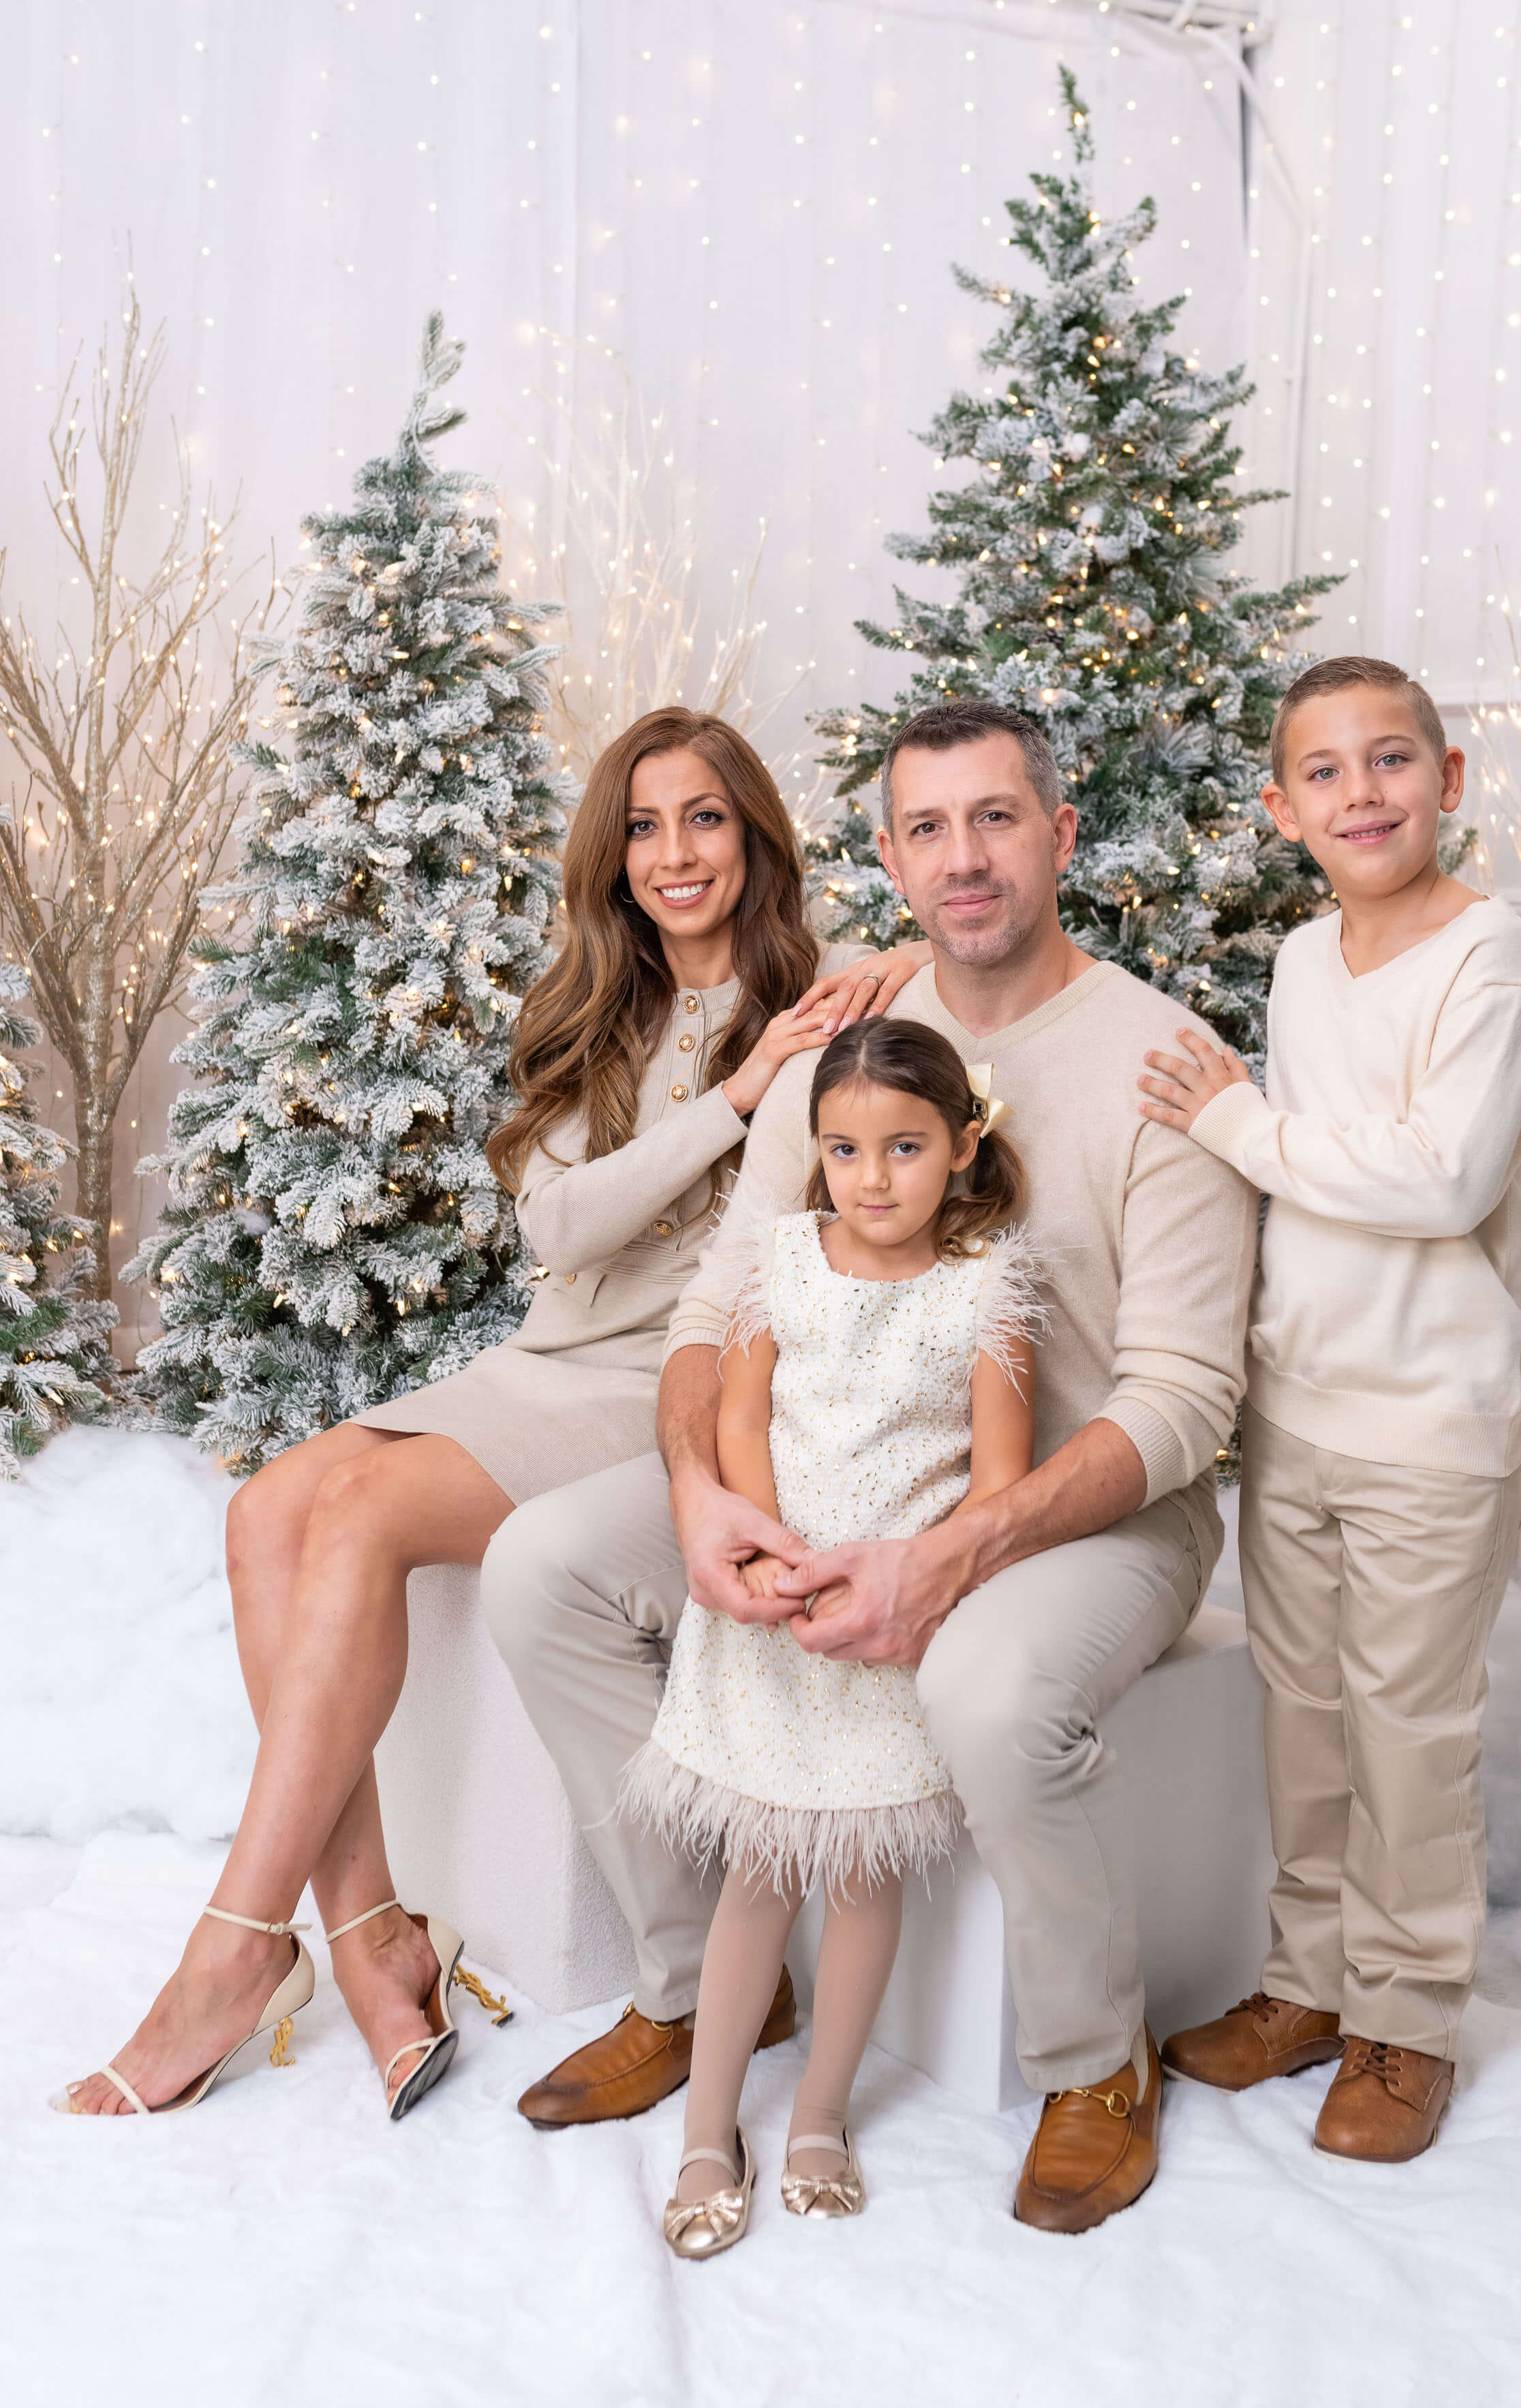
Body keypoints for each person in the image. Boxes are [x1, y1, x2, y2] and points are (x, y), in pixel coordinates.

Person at [54, 707, 926, 2119]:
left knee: (363, 1515)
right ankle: (373, 1935)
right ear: (614, 855)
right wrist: (734, 1098)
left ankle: (230, 1951)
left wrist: (839, 1015)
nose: (672, 852)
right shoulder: (594, 1005)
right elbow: (565, 1230)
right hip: (544, 1361)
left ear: (755, 836)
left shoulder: (831, 998)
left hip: (670, 1387)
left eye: (703, 817)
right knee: (266, 1507)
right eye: (642, 826)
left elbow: (937, 1040)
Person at [482, 696, 1257, 2233]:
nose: (960, 858)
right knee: (544, 1569)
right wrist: (709, 1497)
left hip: (1087, 1509)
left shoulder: (1161, 1056)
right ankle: (704, 1982)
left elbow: (1181, 1402)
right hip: (825, 1457)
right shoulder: (855, 1032)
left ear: (1059, 834)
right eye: (923, 828)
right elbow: (717, 1313)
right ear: (889, 854)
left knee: (983, 1689)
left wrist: (959, 1552)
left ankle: (1095, 2061)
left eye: (993, 818)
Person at [1142, 655, 1521, 2163]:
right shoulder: (1303, 961)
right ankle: (1306, 1984)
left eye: (1391, 761)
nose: (1360, 793)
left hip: (1429, 1421)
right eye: (1323, 773)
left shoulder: (1487, 955)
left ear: (1446, 781)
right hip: (1300, 1408)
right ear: (1280, 810)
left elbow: (1440, 1177)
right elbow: (1318, 1182)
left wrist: (1234, 1123)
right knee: (1305, 1724)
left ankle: (1403, 2024)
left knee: (1406, 1736)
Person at [619, 1019, 1041, 2257]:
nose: (872, 1177)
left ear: (963, 1147)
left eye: (905, 1147)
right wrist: (774, 1548)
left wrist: (896, 1584)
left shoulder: (987, 1295)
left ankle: (817, 2113)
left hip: (884, 1631)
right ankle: (709, 2126)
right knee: (755, 1876)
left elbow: (996, 1484)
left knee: (859, 1876)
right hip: (772, 1610)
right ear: (815, 1154)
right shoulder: (782, 1259)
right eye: (846, 1149)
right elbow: (740, 1418)